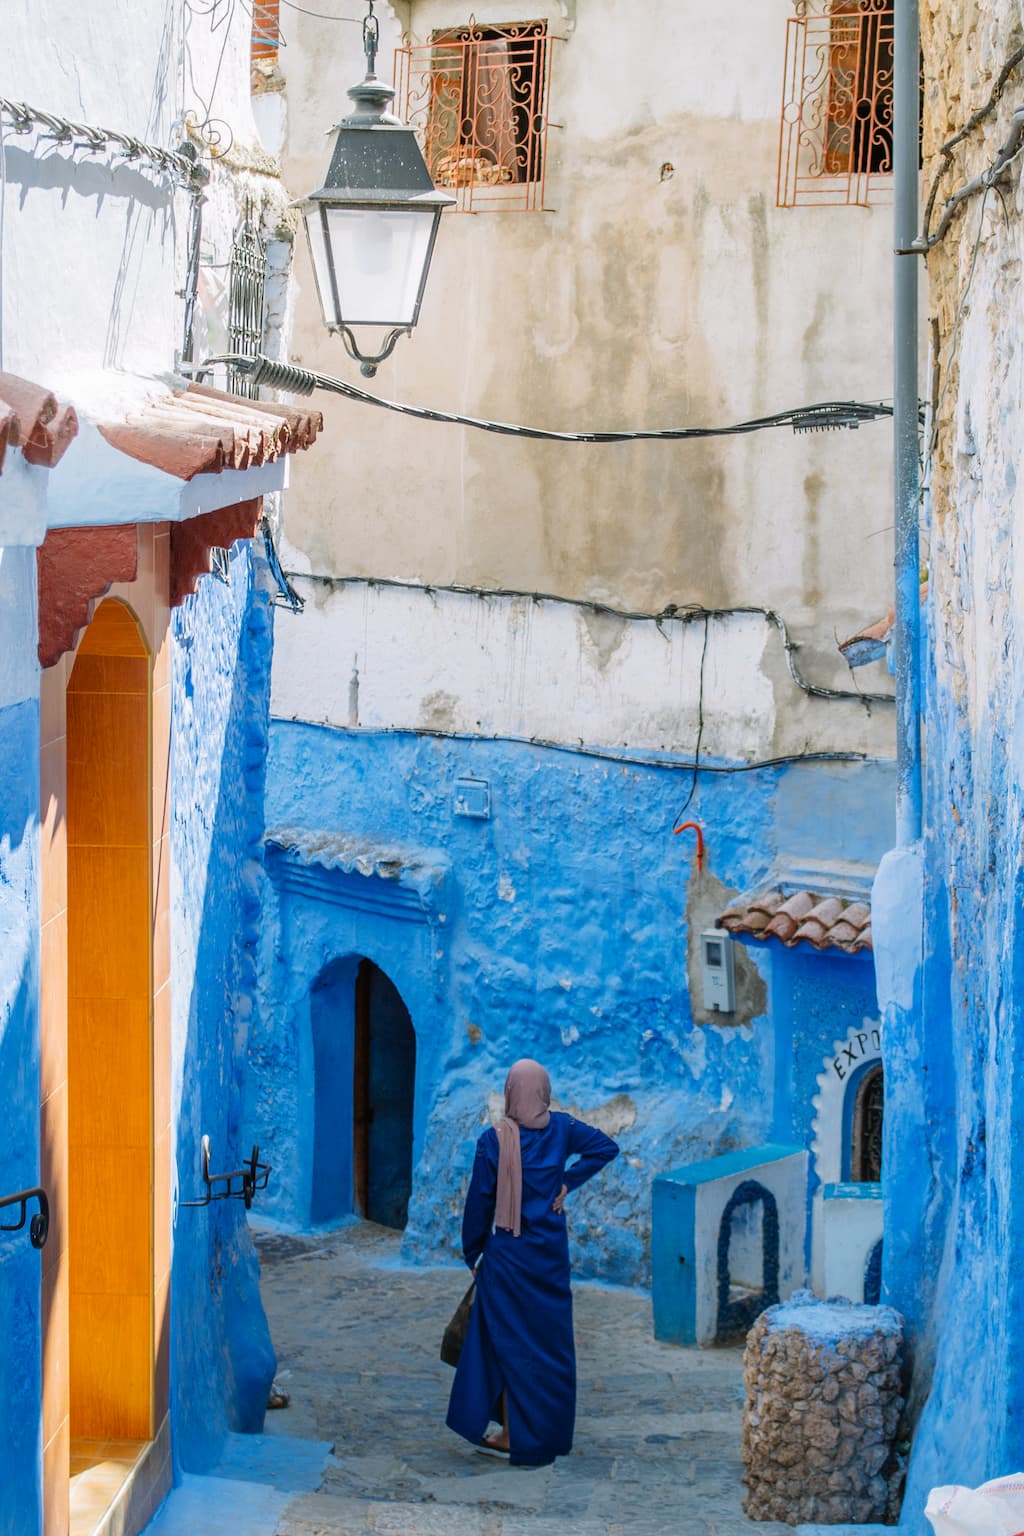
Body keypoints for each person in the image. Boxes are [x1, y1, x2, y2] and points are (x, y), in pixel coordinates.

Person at [446, 1058, 619, 1466]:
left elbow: (479, 1204)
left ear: (510, 1092)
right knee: (549, 1346)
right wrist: (567, 1182)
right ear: (542, 1091)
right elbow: (606, 1148)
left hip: (507, 1257)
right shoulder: (562, 1129)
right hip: (550, 1259)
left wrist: (473, 1251)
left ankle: (511, 1434)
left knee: (505, 1344)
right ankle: (545, 1436)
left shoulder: (493, 1140)